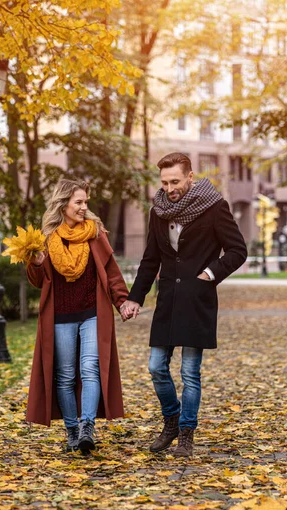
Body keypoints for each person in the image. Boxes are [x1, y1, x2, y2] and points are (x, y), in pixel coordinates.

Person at [120, 153, 247, 458]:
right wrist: (134, 297)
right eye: (164, 182)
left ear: (190, 176)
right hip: (167, 300)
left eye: (175, 181)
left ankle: (186, 434)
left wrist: (210, 273)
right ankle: (172, 420)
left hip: (198, 298)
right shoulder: (158, 211)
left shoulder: (215, 207)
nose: (169, 188)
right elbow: (151, 259)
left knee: (191, 373)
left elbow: (237, 250)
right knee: (156, 367)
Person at [26, 178, 129, 453]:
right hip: (60, 316)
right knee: (65, 376)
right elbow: (38, 281)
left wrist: (123, 302)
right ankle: (71, 430)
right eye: (78, 202)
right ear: (63, 204)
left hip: (92, 313)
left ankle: (87, 427)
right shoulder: (47, 238)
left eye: (86, 202)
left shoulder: (96, 233)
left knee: (90, 369)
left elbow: (111, 273)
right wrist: (35, 263)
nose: (84, 207)